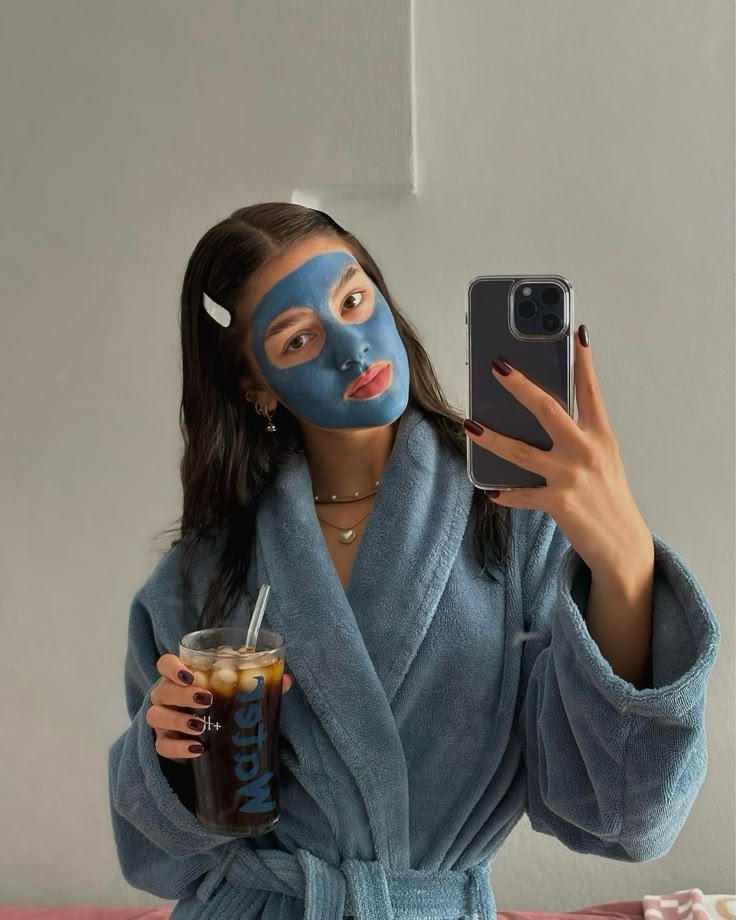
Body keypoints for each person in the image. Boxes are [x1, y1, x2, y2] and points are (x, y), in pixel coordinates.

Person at [108, 203, 721, 920]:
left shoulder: (515, 520)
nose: (352, 346)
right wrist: (176, 759)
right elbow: (158, 860)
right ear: (257, 387)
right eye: (299, 338)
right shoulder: (201, 576)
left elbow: (623, 815)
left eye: (354, 299)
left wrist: (625, 561)